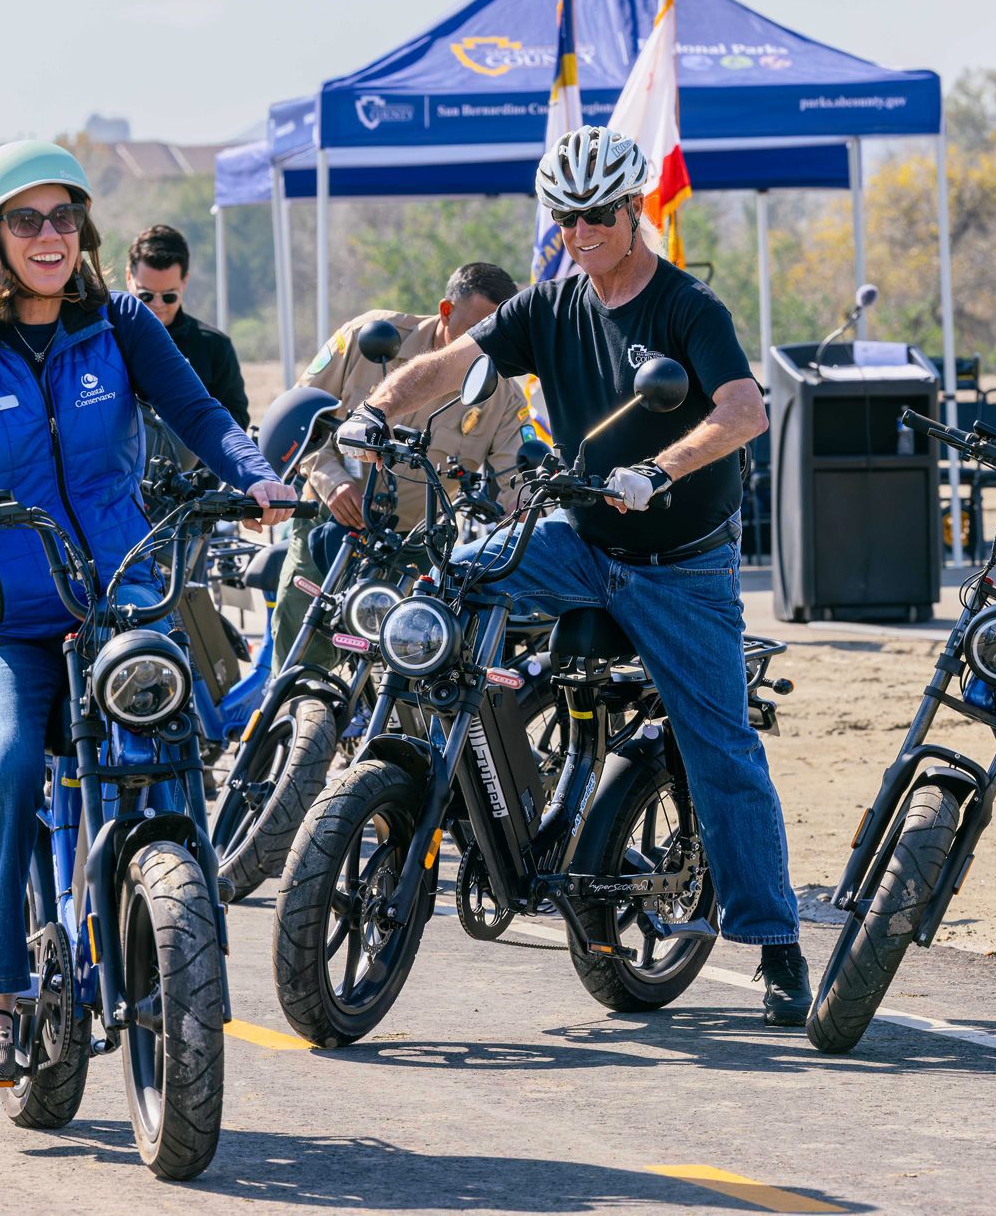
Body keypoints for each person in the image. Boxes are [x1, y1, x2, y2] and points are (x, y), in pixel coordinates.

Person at [337, 126, 809, 1026]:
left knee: (722, 749)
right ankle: (478, 786)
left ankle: (778, 943)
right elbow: (451, 361)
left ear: (634, 209)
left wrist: (660, 471)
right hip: (579, 538)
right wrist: (373, 411)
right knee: (444, 587)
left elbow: (744, 410)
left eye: (597, 213)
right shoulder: (551, 304)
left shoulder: (687, 308)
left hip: (680, 563)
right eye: (566, 214)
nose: (580, 229)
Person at [0, 140, 293, 1084]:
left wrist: (259, 476)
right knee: (12, 762)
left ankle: (189, 936)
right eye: (25, 220)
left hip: (119, 600)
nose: (49, 235)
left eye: (64, 217)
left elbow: (200, 415)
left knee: (168, 742)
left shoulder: (118, 325)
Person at [274, 262, 531, 665]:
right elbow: (299, 422)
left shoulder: (502, 395)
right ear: (446, 311)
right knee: (302, 658)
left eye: (495, 335)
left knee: (413, 670)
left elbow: (516, 477)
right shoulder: (367, 337)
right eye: (474, 331)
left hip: (414, 547)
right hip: (331, 526)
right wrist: (332, 480)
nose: (482, 346)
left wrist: (529, 506)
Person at [126, 224, 248, 425]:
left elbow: (237, 419)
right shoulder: (104, 340)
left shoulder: (215, 347)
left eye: (169, 296)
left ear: (185, 282)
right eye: (146, 295)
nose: (157, 305)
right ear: (129, 277)